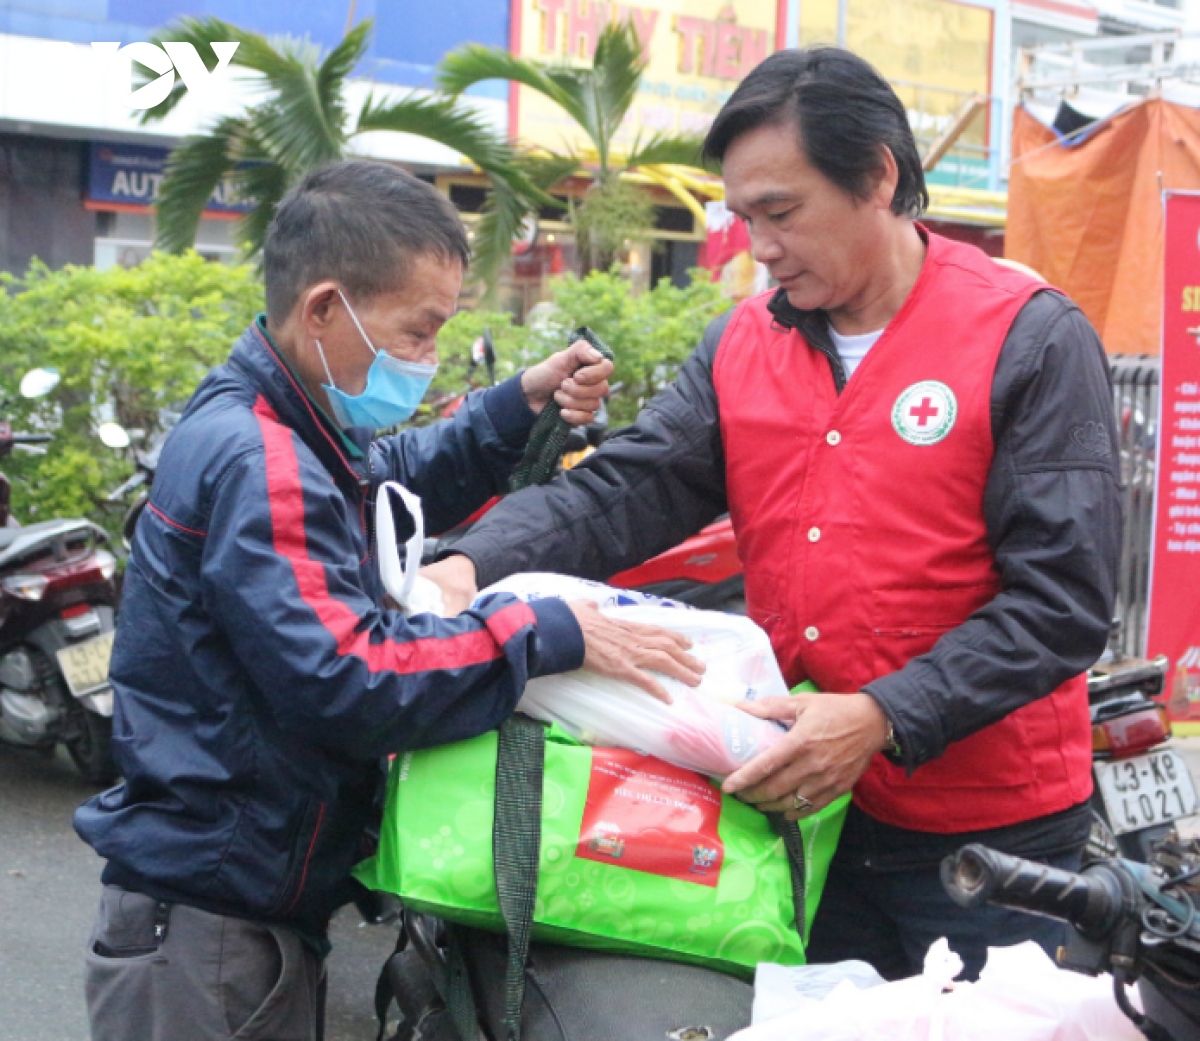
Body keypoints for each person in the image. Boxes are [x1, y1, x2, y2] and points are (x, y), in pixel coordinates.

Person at [423, 48, 1122, 981]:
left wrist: (881, 714)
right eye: (743, 216)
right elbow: (623, 490)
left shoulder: (1028, 337)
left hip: (988, 834)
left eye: (782, 213)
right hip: (796, 817)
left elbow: (1063, 602)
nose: (759, 245)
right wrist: (471, 562)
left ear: (878, 174)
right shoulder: (744, 342)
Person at [73, 160, 703, 1041]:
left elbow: (384, 488)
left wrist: (515, 408)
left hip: (226, 913)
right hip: (209, 934)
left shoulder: (282, 426)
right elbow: (349, 673)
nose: (428, 359)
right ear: (325, 308)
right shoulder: (264, 462)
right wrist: (539, 632)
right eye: (417, 333)